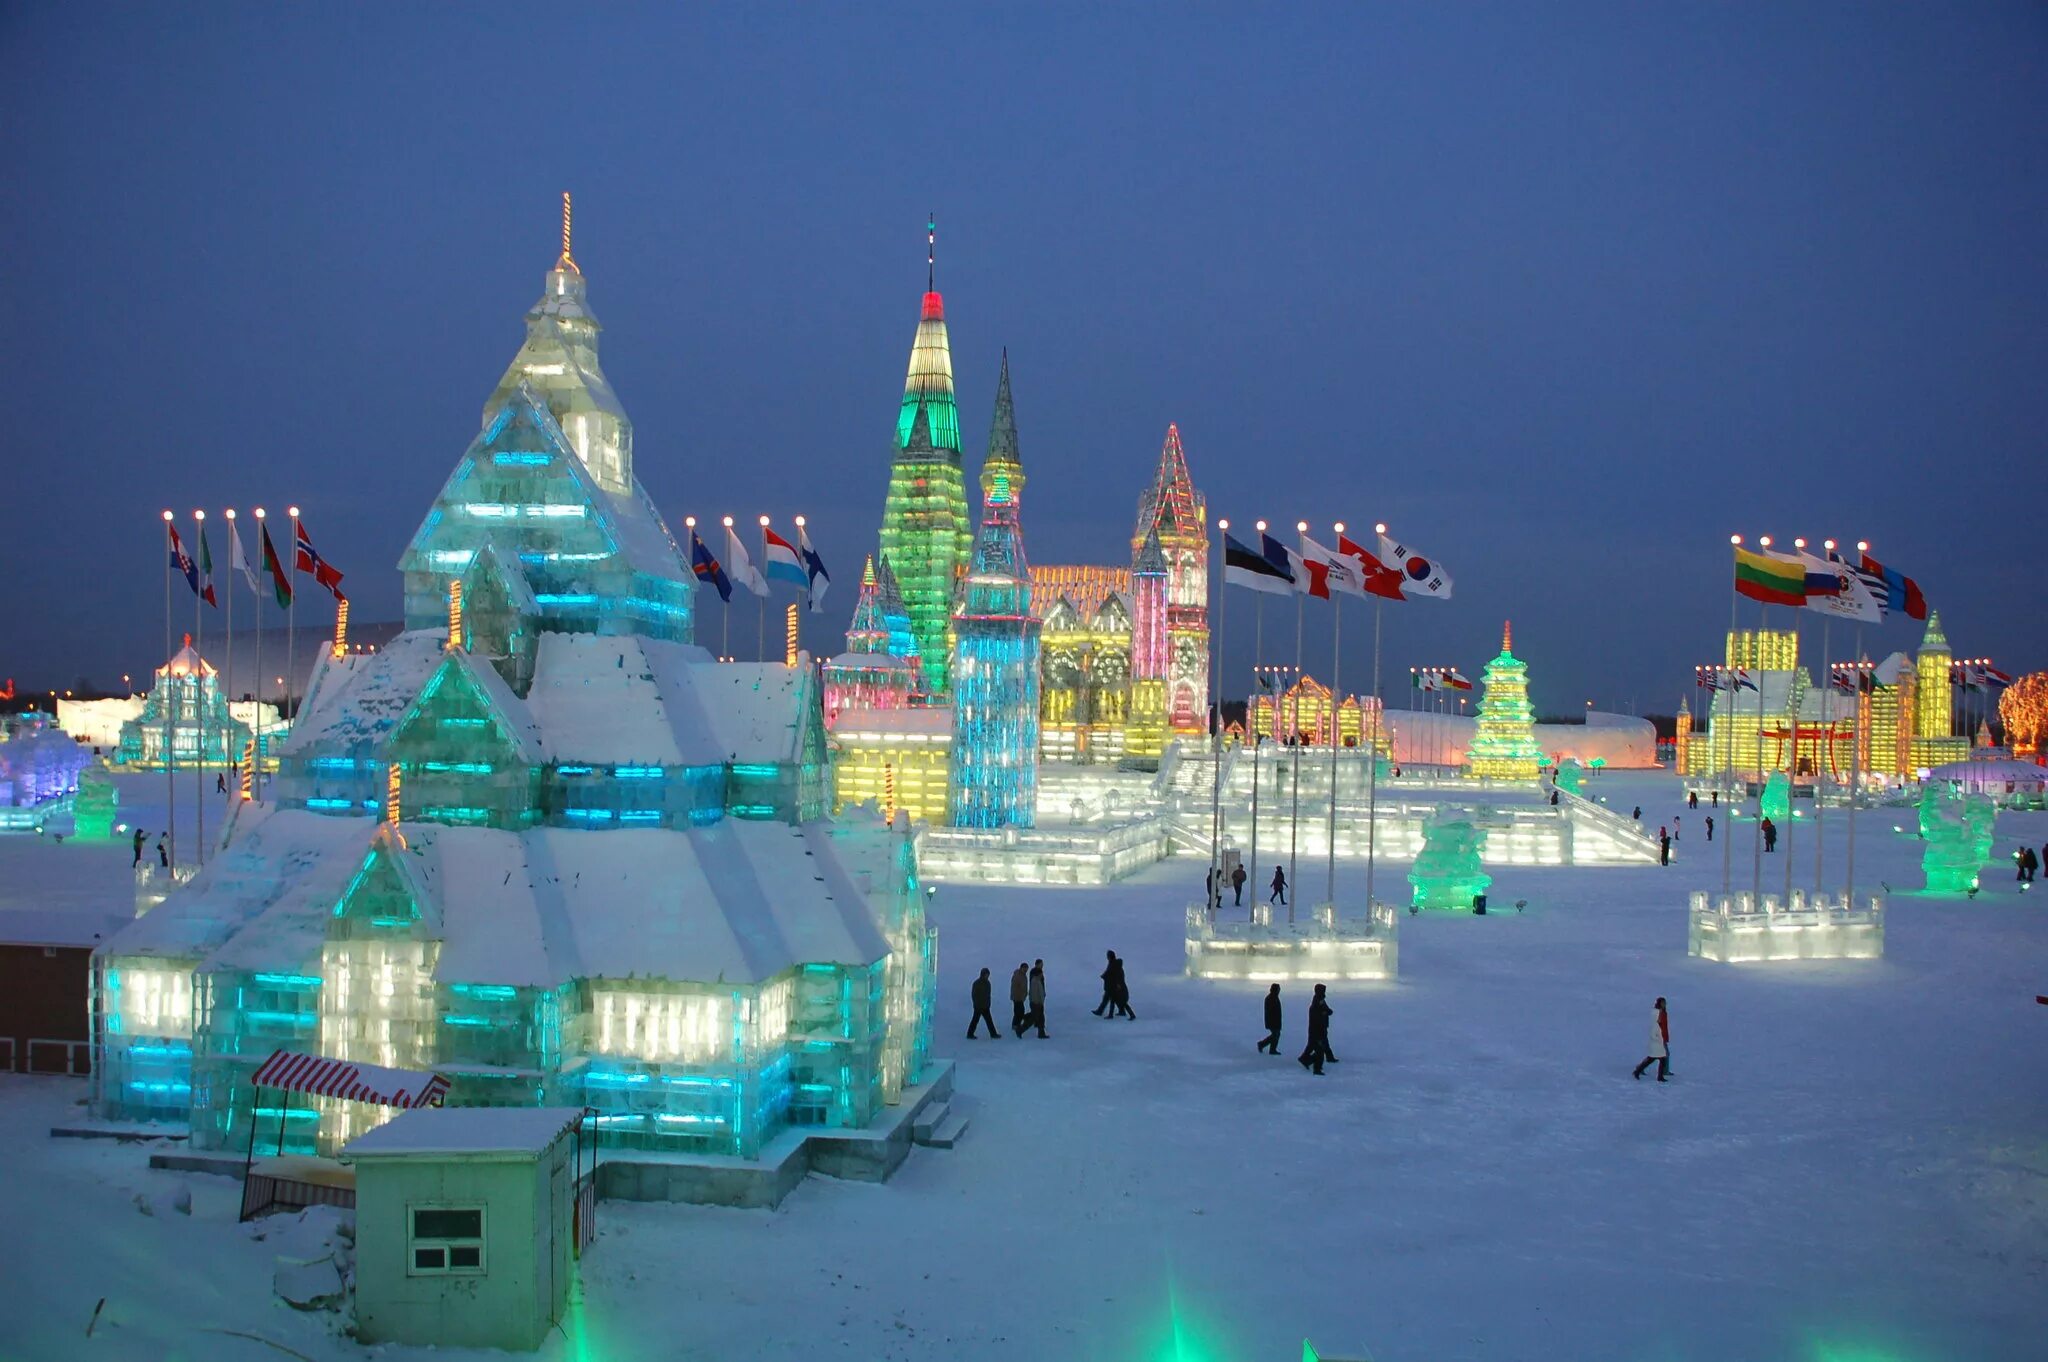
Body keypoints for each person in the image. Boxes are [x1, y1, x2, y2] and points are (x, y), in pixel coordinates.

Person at [1633, 997, 1670, 1081]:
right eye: (1663, 1003)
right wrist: (1658, 1037)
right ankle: (1638, 1071)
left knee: (1657, 1058)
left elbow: (1663, 1026)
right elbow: (1655, 1026)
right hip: (1657, 1040)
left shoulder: (1662, 1012)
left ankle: (1639, 1071)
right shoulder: (1657, 1013)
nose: (1664, 1004)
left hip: (1660, 1039)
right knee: (1655, 1058)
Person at [1298, 984, 1333, 1074]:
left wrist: (1327, 1012)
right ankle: (1315, 1067)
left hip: (1319, 1029)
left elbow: (1326, 1010)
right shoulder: (1316, 1004)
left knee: (1314, 1046)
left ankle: (1306, 1060)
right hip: (1317, 1030)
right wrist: (1324, 1013)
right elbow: (1318, 1019)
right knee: (1319, 1050)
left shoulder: (1320, 1001)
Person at [967, 968, 1001, 1039]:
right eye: (986, 974)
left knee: (989, 1020)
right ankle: (970, 1034)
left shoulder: (988, 983)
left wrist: (988, 1003)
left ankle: (993, 1034)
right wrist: (977, 1004)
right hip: (979, 1006)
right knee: (975, 1020)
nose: (987, 976)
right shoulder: (977, 983)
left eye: (988, 975)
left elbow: (988, 994)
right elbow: (974, 995)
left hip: (986, 1006)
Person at [1257, 983, 1282, 1054]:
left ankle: (1270, 1048)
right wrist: (1274, 1021)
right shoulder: (1271, 998)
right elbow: (1271, 1012)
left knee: (1276, 1035)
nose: (1279, 990)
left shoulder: (1274, 997)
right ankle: (1263, 1045)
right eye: (1278, 989)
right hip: (1272, 1021)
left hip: (1275, 1020)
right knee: (1276, 1034)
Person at [1094, 951, 1120, 1017]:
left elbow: (1110, 973)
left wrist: (1104, 976)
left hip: (1111, 986)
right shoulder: (1112, 963)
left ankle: (1105, 1013)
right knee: (1108, 999)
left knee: (1109, 1000)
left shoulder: (1113, 964)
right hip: (1111, 985)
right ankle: (1100, 1011)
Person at [1027, 959, 1048, 1037]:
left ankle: (1038, 1025)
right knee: (1038, 1013)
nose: (1042, 966)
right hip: (1037, 996)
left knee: (1037, 1013)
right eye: (1041, 964)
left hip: (1038, 994)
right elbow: (1036, 986)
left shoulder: (1038, 972)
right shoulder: (1035, 973)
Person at [1008, 962, 1030, 1035]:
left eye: (1026, 969)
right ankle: (1016, 1024)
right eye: (1025, 969)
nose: (1026, 970)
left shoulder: (1022, 975)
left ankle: (1016, 1024)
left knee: (1019, 1011)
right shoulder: (1018, 976)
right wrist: (1020, 995)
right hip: (1017, 997)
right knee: (1019, 1011)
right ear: (1021, 968)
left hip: (1019, 997)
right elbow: (1016, 987)